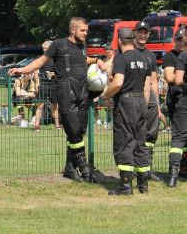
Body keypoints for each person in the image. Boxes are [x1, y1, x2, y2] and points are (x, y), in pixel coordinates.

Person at [10, 17, 104, 183]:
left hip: (82, 91)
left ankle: (69, 168)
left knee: (80, 131)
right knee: (74, 132)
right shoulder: (58, 44)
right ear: (72, 30)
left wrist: (96, 60)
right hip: (66, 91)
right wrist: (22, 69)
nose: (86, 33)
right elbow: (41, 61)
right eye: (83, 30)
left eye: (87, 31)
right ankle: (85, 168)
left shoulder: (82, 46)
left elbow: (82, 60)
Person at [102, 27, 151, 195]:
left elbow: (117, 83)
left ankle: (125, 186)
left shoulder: (121, 59)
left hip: (126, 102)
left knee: (124, 141)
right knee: (140, 141)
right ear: (133, 39)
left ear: (120, 41)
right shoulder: (144, 58)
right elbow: (147, 84)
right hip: (141, 100)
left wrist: (105, 95)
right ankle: (143, 185)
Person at [133, 21, 160, 181]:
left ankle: (147, 168)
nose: (143, 35)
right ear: (135, 33)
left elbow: (154, 81)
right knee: (136, 133)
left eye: (145, 32)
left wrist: (156, 104)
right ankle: (135, 168)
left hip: (150, 99)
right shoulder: (129, 52)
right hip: (134, 97)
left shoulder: (150, 56)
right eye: (140, 32)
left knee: (151, 133)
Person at [166, 36, 187, 187]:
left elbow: (178, 80)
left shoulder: (183, 56)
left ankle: (173, 176)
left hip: (185, 100)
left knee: (178, 138)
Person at [33, 40, 61, 132]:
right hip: (43, 84)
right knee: (40, 105)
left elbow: (60, 71)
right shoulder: (40, 58)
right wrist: (37, 82)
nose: (44, 50)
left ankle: (57, 125)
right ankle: (37, 126)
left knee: (54, 106)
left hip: (54, 84)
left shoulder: (56, 59)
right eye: (43, 48)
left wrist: (54, 74)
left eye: (46, 48)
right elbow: (35, 70)